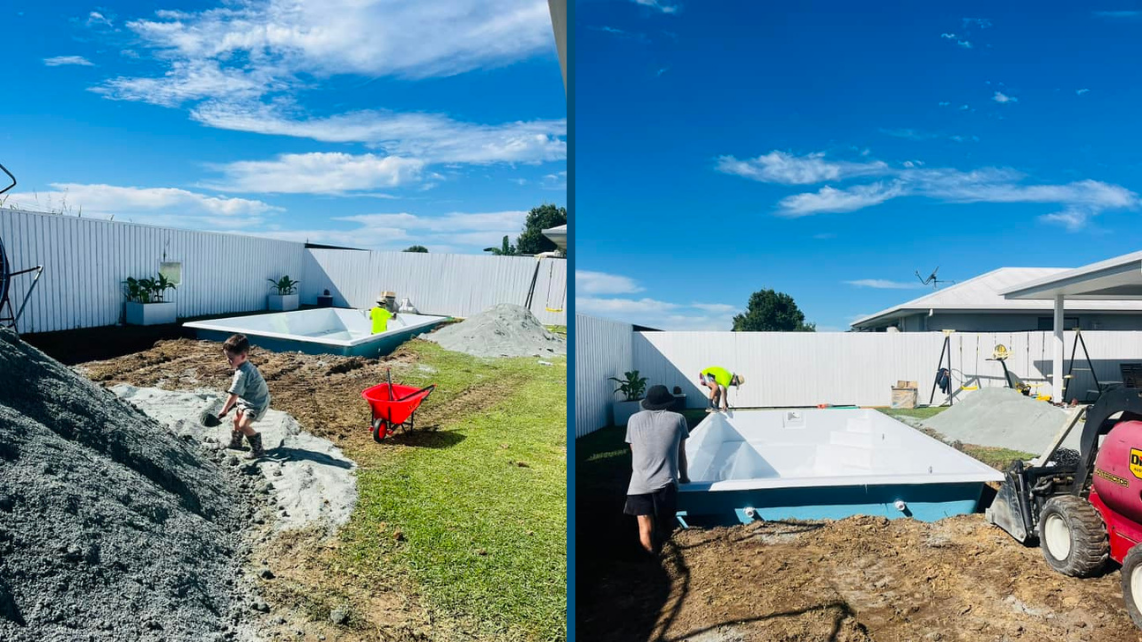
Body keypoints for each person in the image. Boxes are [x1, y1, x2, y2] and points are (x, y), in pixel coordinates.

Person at [624, 385, 690, 555]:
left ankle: (651, 561)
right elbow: (680, 452)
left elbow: (634, 449)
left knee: (644, 528)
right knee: (666, 525)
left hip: (638, 485)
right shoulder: (678, 418)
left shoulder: (633, 419)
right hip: (665, 484)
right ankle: (668, 555)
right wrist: (684, 477)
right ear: (668, 401)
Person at [221, 334, 271, 459]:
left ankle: (258, 449)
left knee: (243, 425)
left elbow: (234, 394)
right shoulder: (243, 365)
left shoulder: (243, 373)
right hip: (247, 400)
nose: (228, 361)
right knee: (235, 420)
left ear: (243, 356)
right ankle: (236, 442)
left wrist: (225, 409)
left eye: (231, 358)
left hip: (257, 403)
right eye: (227, 357)